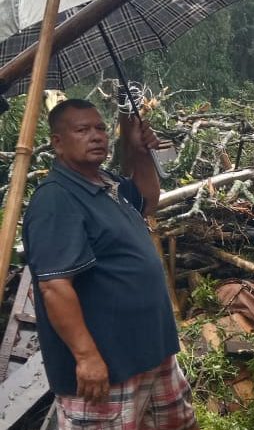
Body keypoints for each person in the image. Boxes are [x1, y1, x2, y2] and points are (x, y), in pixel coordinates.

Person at [22, 99, 197, 430]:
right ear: (58, 143)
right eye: (82, 130)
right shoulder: (56, 199)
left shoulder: (106, 183)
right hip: (108, 371)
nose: (96, 136)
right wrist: (87, 357)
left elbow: (147, 198)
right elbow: (55, 287)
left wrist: (140, 151)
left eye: (100, 128)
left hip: (151, 354)